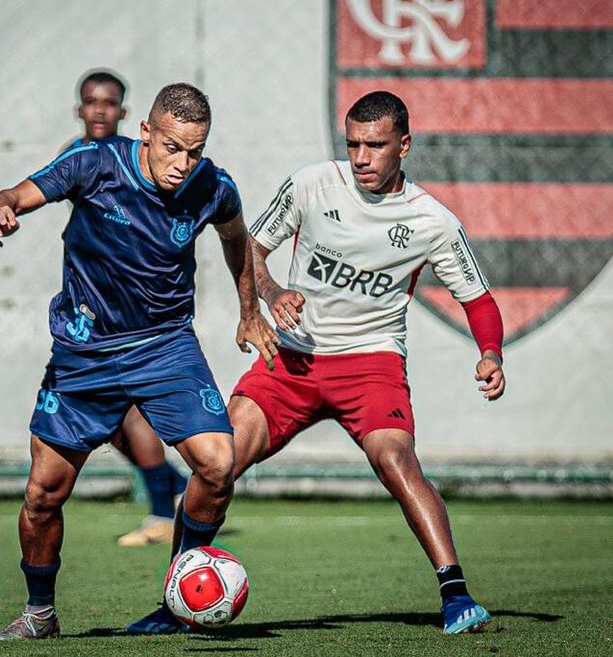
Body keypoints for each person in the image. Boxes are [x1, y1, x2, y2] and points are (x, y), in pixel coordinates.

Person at [128, 90, 505, 636]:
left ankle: (455, 595)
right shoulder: (312, 183)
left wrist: (490, 353)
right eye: (352, 143)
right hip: (293, 360)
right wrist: (274, 291)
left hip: (370, 365)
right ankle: (177, 600)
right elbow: (251, 248)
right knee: (218, 461)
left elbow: (478, 299)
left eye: (375, 145)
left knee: (397, 463)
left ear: (404, 145)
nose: (361, 157)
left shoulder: (432, 221)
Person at [0, 82, 279, 640]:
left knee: (218, 464)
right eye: (172, 147)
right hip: (84, 352)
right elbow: (20, 193)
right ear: (146, 131)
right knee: (43, 494)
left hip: (165, 346)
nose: (182, 164)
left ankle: (177, 600)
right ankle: (39, 613)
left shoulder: (212, 185)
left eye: (194, 150)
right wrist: (2, 205)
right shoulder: (95, 163)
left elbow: (236, 238)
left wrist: (249, 312)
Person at [62, 68, 191, 546]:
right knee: (111, 425)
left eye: (109, 103)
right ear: (79, 108)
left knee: (131, 415)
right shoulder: (76, 158)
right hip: (90, 313)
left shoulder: (142, 162)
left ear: (125, 113)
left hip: (134, 317)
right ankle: (173, 487)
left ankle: (161, 510)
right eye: (91, 102)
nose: (99, 110)